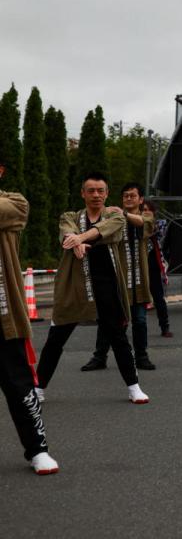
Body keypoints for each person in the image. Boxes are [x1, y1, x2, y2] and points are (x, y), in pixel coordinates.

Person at [36, 172, 150, 405]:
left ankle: (134, 387)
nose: (96, 195)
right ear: (82, 193)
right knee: (56, 338)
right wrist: (73, 238)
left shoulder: (116, 216)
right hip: (74, 285)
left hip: (107, 285)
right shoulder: (70, 215)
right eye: (91, 190)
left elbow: (106, 232)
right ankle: (38, 388)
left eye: (100, 191)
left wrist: (79, 240)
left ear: (107, 193)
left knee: (117, 336)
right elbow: (66, 232)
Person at [0, 156, 57, 474]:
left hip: (4, 316)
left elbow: (18, 212)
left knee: (19, 386)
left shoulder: (13, 202)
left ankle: (37, 449)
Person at [83, 182, 156, 372]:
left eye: (133, 195)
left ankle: (141, 356)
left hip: (139, 281)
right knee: (109, 320)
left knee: (139, 320)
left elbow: (146, 225)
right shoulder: (113, 217)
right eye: (125, 196)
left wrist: (124, 214)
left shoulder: (145, 216)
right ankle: (99, 356)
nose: (129, 199)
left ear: (140, 199)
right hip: (118, 280)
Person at [142, 201, 171, 338]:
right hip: (137, 265)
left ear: (153, 212)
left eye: (148, 209)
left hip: (153, 264)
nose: (145, 212)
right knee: (132, 299)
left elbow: (156, 233)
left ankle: (165, 327)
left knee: (158, 297)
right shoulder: (134, 223)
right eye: (143, 209)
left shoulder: (160, 224)